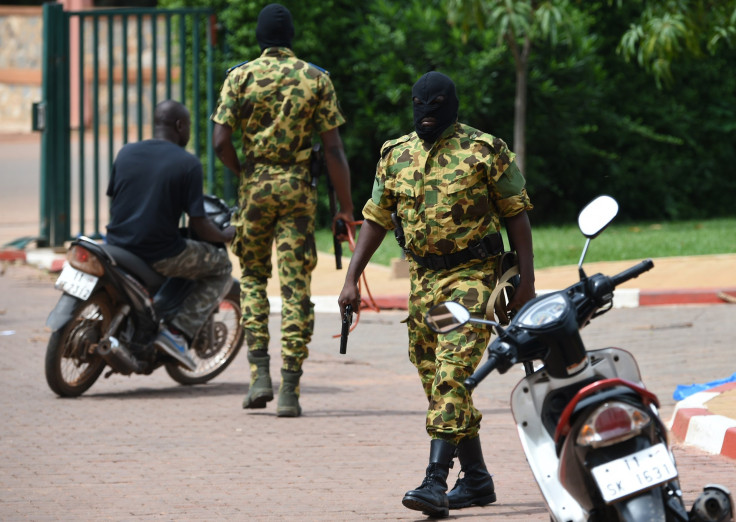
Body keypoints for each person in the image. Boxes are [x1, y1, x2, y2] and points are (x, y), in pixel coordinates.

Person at [338, 71, 536, 517]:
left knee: (452, 372)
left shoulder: (485, 150)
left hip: (473, 276)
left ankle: (435, 481)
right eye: (419, 104)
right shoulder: (395, 154)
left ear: (452, 105)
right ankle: (479, 480)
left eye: (436, 104)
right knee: (435, 378)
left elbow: (516, 215)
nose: (426, 112)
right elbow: (375, 219)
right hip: (423, 281)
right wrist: (352, 278)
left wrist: (527, 281)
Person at [211, 3, 354, 418]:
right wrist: (345, 208)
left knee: (253, 278)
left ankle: (259, 375)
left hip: (255, 189)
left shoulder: (239, 77)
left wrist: (245, 172)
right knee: (295, 288)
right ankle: (290, 389)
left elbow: (221, 141)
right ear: (291, 37)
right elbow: (333, 149)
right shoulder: (316, 78)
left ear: (259, 37)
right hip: (297, 190)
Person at [106, 99, 235, 371]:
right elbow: (199, 225)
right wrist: (225, 235)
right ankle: (176, 334)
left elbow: (116, 200)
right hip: (158, 253)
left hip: (115, 245)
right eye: (188, 126)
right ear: (180, 125)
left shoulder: (126, 153)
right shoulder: (187, 163)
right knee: (221, 266)